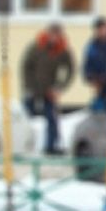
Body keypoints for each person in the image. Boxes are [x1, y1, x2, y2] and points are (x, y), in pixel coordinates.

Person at [20, 21, 75, 154]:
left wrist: (59, 87)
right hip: (33, 88)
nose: (54, 37)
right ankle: (22, 146)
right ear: (48, 33)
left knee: (51, 119)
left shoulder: (62, 50)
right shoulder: (37, 46)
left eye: (57, 34)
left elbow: (70, 69)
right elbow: (26, 66)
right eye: (52, 34)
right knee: (25, 117)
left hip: (49, 90)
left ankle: (51, 147)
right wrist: (28, 87)